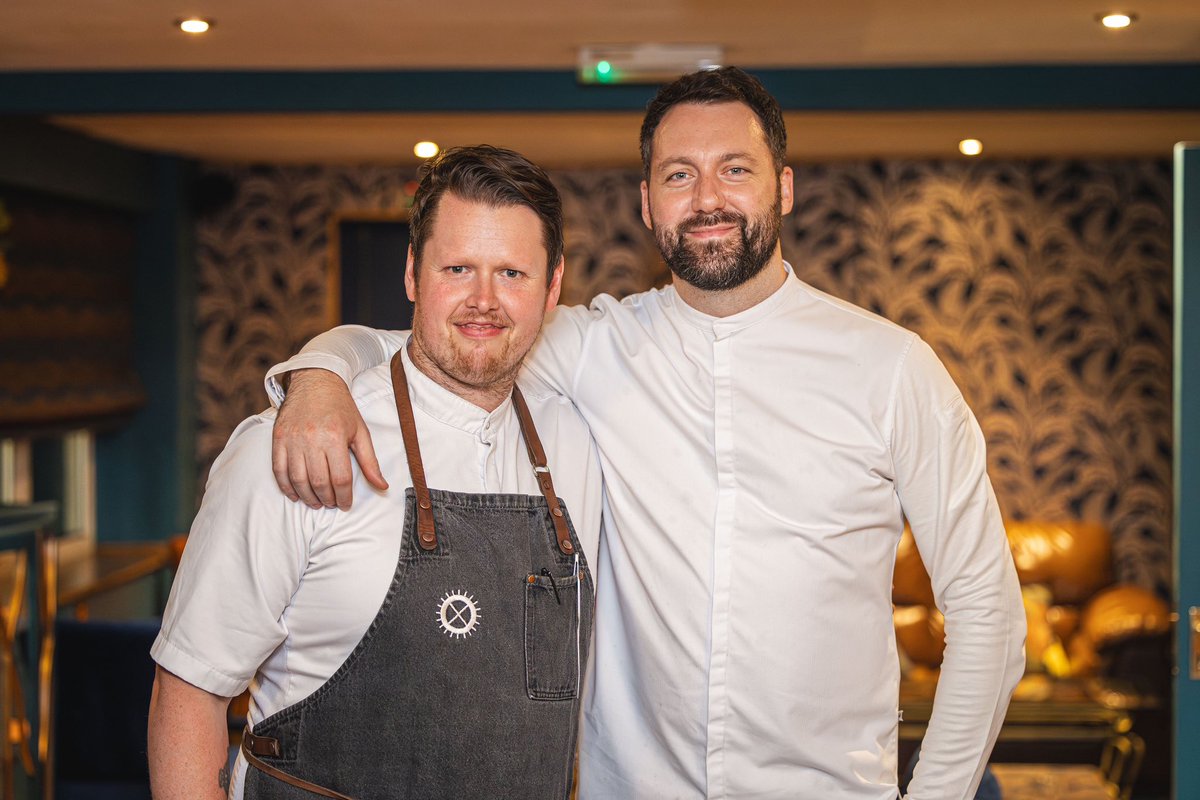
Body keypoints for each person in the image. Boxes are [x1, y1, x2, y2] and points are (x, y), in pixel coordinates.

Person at [266, 68, 1026, 799]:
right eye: (678, 175)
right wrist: (320, 374)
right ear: (647, 202)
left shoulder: (892, 369)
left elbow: (987, 611)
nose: (707, 199)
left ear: (783, 188)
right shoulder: (596, 348)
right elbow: (448, 334)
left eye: (735, 169)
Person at [147, 145, 604, 799]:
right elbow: (186, 695)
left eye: (512, 273)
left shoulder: (572, 440)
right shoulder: (292, 447)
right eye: (457, 268)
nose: (484, 301)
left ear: (552, 287)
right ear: (414, 274)